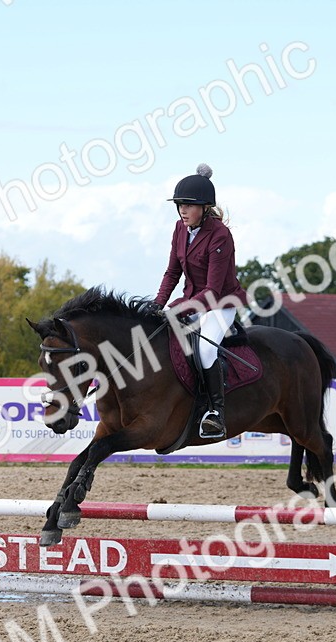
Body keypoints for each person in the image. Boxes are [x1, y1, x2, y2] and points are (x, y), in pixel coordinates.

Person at [148, 163, 247, 439]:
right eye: (180, 205)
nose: (182, 210)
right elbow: (172, 272)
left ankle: (216, 412)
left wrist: (179, 308)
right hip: (191, 300)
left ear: (204, 207)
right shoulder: (180, 229)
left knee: (204, 350)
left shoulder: (220, 235)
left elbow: (213, 289)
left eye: (188, 206)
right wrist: (158, 304)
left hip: (220, 303)